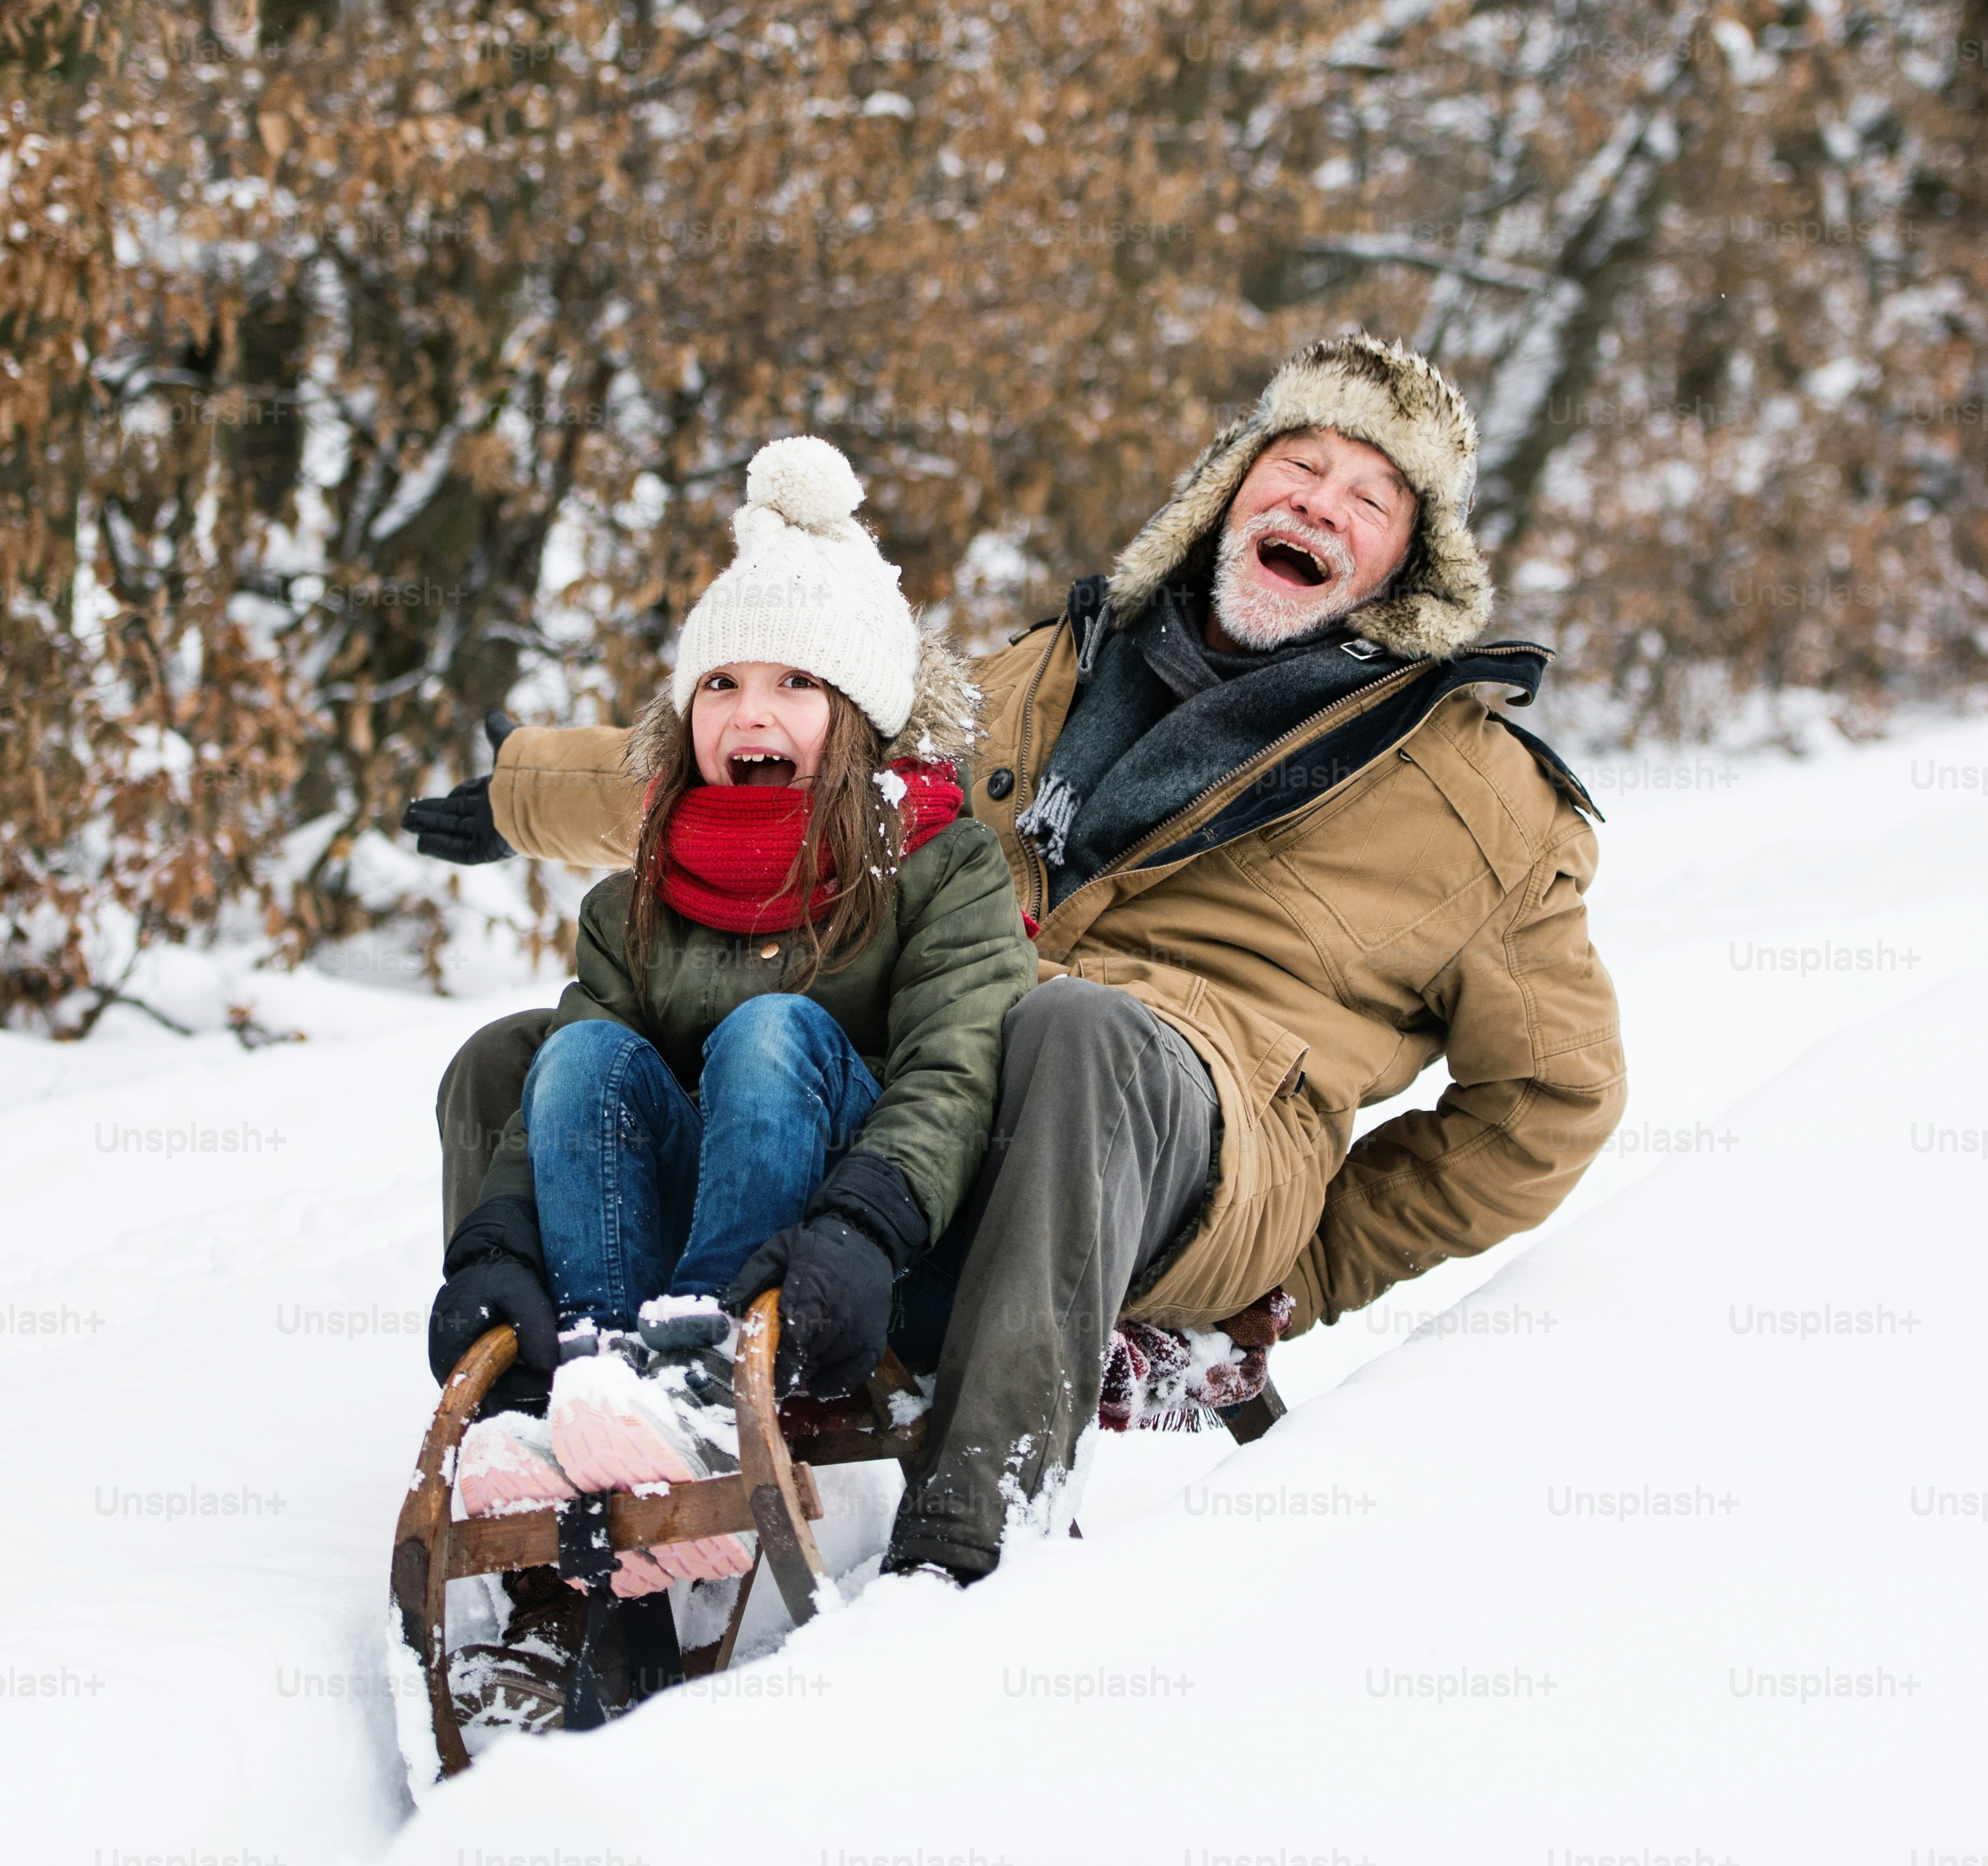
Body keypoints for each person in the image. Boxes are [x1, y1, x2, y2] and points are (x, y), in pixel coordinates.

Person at [410, 333, 1626, 1585]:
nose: (1320, 499)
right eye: (1297, 463)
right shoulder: (1054, 673)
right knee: (526, 1061)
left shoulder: (1479, 799)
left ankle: (970, 1541)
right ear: (1232, 488)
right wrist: (525, 790)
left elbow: (1552, 1101)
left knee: (1075, 1030)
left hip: (1193, 1154)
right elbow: (806, 768)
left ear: (1408, 563)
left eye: (1371, 496)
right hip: (947, 1102)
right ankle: (552, 1506)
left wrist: (1312, 1266)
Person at [423, 437, 1035, 1601]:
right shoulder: (634, 900)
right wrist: (495, 1248)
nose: (751, 713)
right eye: (721, 684)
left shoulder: (941, 866)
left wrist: (867, 1225)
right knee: (587, 1051)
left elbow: (958, 1070)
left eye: (796, 683)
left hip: (851, 1254)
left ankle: (694, 1384)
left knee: (771, 1031)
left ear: (857, 716)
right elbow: (574, 1088)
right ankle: (603, 1387)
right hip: (680, 1207)